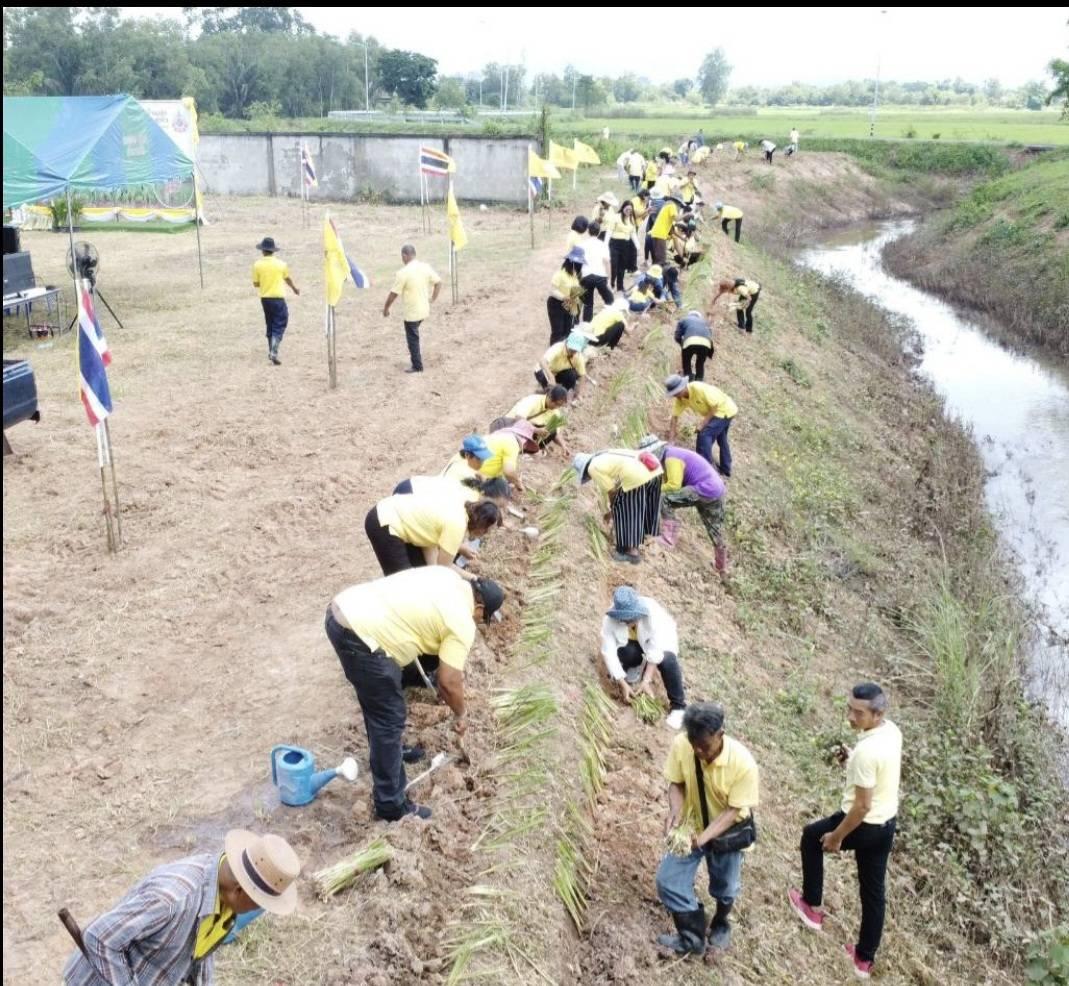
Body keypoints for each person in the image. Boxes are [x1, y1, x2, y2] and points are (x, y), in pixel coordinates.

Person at [326, 567, 504, 820]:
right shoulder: (462, 621)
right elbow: (449, 682)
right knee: (388, 717)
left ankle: (392, 754)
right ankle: (391, 805)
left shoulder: (448, 576)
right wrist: (461, 714)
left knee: (379, 705)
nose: (478, 622)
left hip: (343, 609)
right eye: (482, 618)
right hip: (361, 636)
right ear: (479, 609)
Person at [63, 832, 300, 985]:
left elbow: (199, 953)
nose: (259, 910)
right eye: (259, 903)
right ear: (240, 890)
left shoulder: (226, 900)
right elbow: (99, 938)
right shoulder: (171, 899)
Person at [789, 683, 902, 981]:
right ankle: (864, 959)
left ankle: (811, 907)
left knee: (812, 838)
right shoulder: (891, 732)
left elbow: (861, 806)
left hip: (863, 822)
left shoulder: (867, 752)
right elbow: (878, 768)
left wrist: (837, 836)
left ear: (878, 714)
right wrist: (853, 758)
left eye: (859, 712)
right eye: (849, 708)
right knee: (873, 891)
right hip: (887, 823)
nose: (851, 716)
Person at [655, 703, 759, 959]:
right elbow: (676, 783)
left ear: (720, 734)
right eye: (695, 745)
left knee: (725, 886)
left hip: (727, 833)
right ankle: (692, 937)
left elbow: (732, 811)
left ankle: (721, 923)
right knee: (667, 881)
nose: (700, 751)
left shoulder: (743, 764)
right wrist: (676, 812)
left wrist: (701, 840)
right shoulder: (683, 745)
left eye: (705, 746)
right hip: (691, 828)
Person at [638, 435, 729, 573]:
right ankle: (721, 567)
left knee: (664, 499)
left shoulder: (671, 458)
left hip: (704, 488)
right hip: (716, 491)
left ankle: (668, 538)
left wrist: (651, 490)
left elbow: (674, 485)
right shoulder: (671, 454)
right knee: (715, 529)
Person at [600, 586, 686, 729]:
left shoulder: (654, 615)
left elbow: (656, 648)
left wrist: (646, 680)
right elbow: (608, 650)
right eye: (624, 620)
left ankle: (678, 707)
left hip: (661, 641)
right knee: (626, 652)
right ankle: (634, 669)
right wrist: (623, 683)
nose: (628, 622)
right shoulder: (610, 620)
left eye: (631, 619)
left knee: (667, 660)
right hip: (633, 644)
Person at [365, 488, 500, 577]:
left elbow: (430, 552)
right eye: (487, 530)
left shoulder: (461, 508)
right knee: (403, 584)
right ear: (482, 525)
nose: (486, 533)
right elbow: (441, 571)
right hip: (385, 523)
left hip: (387, 510)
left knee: (419, 574)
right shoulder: (457, 525)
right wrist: (471, 578)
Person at [573, 448, 662, 564]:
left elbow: (611, 491)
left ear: (584, 470)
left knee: (624, 508)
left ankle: (631, 553)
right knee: (639, 505)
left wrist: (614, 509)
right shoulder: (605, 455)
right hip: (655, 470)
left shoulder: (592, 468)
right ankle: (641, 535)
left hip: (638, 475)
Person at [382, 245, 441, 374]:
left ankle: (417, 366)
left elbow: (393, 294)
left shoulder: (403, 273)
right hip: (424, 309)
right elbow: (438, 282)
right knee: (414, 334)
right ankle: (416, 362)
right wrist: (433, 298)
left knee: (412, 339)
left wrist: (386, 308)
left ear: (404, 256)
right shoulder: (425, 267)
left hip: (412, 313)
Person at [665, 374, 738, 477]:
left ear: (682, 387)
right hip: (720, 411)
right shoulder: (681, 399)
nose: (676, 396)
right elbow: (674, 418)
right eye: (673, 394)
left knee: (704, 435)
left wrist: (702, 424)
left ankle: (705, 470)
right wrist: (671, 441)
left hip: (724, 409)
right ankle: (726, 468)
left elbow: (715, 406)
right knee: (721, 438)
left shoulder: (698, 388)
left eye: (676, 393)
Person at [252, 237, 300, 366]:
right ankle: (274, 350)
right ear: (273, 251)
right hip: (278, 298)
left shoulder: (257, 265)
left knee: (270, 323)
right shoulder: (281, 264)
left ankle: (271, 349)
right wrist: (294, 289)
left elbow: (256, 284)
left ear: (262, 251)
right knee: (281, 322)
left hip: (265, 299)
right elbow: (287, 279)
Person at [506, 386, 570, 453]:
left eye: (559, 406)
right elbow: (519, 418)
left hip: (528, 433)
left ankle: (527, 448)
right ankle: (519, 446)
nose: (556, 407)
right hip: (510, 426)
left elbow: (555, 434)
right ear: (550, 397)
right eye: (556, 404)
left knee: (552, 431)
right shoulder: (533, 400)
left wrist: (563, 446)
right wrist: (536, 430)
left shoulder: (555, 412)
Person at [547, 248, 585, 345]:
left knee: (568, 331)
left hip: (569, 305)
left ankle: (564, 354)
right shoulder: (560, 274)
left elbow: (576, 292)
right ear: (570, 263)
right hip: (556, 304)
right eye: (577, 265)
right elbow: (552, 290)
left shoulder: (575, 276)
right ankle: (553, 354)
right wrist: (564, 297)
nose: (579, 267)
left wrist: (576, 309)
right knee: (558, 332)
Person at [536, 332, 588, 401]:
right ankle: (546, 392)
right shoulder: (558, 348)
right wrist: (551, 376)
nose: (573, 352)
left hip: (559, 372)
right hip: (545, 370)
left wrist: (579, 393)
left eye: (575, 350)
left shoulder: (578, 356)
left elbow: (582, 375)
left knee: (572, 375)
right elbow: (542, 361)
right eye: (571, 349)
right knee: (551, 391)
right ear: (566, 343)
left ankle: (564, 394)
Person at [579, 222, 614, 323]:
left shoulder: (582, 245)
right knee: (609, 300)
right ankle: (608, 320)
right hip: (600, 276)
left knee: (588, 304)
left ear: (588, 231)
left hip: (586, 276)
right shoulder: (602, 245)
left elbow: (577, 263)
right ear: (599, 233)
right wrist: (609, 279)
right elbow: (607, 262)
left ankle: (586, 325)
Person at [674, 311, 714, 382]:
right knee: (700, 363)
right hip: (706, 343)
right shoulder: (705, 322)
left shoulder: (684, 320)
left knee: (686, 361)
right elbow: (710, 335)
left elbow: (677, 336)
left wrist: (682, 344)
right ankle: (699, 381)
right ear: (699, 317)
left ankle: (689, 379)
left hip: (690, 341)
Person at [609, 201, 639, 292]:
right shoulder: (616, 217)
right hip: (614, 244)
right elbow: (609, 231)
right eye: (627, 209)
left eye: (630, 209)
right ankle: (611, 284)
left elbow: (633, 233)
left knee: (622, 267)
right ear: (623, 208)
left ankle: (620, 287)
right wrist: (605, 244)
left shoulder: (631, 219)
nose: (628, 211)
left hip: (626, 245)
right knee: (614, 265)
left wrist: (637, 244)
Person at [649, 196, 682, 266]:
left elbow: (672, 230)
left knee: (657, 257)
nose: (680, 208)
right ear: (678, 204)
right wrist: (686, 215)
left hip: (656, 233)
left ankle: (654, 271)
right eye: (680, 206)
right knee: (661, 258)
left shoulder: (666, 207)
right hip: (660, 234)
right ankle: (658, 273)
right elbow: (677, 219)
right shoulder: (672, 206)